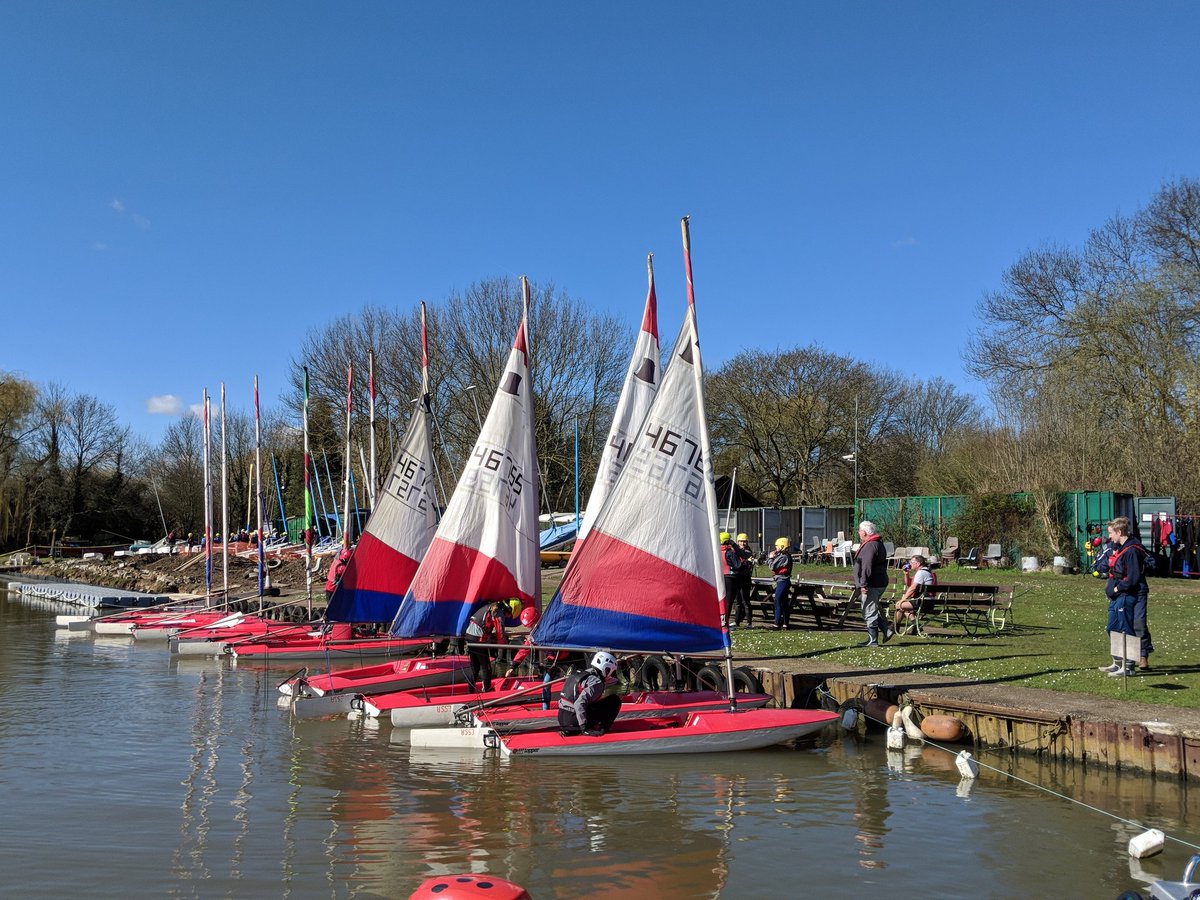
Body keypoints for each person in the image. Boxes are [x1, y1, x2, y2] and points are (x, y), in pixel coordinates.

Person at [1096, 517, 1151, 676]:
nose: (1110, 537)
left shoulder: (1132, 551)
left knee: (1129, 628)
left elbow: (1133, 578)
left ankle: (1129, 666)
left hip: (1127, 594)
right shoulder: (1118, 547)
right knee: (1112, 628)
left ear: (1119, 532)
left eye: (1112, 533)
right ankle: (1118, 662)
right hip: (1117, 596)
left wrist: (1116, 588)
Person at [558, 651, 622, 737]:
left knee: (592, 702)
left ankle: (580, 725)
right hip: (574, 722)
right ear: (606, 668)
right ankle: (603, 728)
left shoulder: (581, 673)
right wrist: (584, 728)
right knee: (614, 700)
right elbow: (579, 703)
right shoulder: (597, 682)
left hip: (562, 718)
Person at [853, 521, 892, 646]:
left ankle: (873, 640)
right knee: (870, 608)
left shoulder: (871, 545)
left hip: (873, 582)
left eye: (859, 530)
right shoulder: (876, 543)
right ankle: (886, 629)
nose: (858, 532)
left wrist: (863, 584)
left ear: (864, 532)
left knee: (869, 609)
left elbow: (867, 566)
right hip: (877, 581)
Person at [465, 599, 509, 692]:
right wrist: (502, 644)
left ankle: (470, 690)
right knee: (486, 667)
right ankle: (487, 689)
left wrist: (489, 635)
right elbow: (499, 631)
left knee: (475, 666)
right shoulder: (498, 612)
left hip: (469, 636)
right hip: (478, 639)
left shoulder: (488, 607)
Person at [893, 554, 934, 634]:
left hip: (923, 602)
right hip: (926, 600)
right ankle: (914, 625)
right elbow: (909, 584)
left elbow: (913, 588)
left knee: (899, 605)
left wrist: (903, 599)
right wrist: (906, 574)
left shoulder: (921, 573)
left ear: (918, 564)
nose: (910, 563)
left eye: (912, 562)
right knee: (902, 606)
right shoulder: (924, 572)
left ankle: (895, 628)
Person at [767, 537, 793, 630]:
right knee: (783, 602)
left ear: (782, 546)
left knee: (778, 600)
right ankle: (785, 623)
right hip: (782, 581)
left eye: (777, 546)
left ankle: (777, 623)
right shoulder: (782, 555)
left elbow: (772, 566)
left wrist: (770, 558)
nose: (776, 548)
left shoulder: (784, 557)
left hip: (783, 581)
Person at [734, 533, 755, 626]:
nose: (743, 543)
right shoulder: (735, 551)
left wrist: (739, 565)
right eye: (741, 541)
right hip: (737, 578)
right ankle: (737, 621)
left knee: (745, 601)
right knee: (737, 601)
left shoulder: (749, 552)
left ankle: (749, 622)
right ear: (738, 542)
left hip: (745, 578)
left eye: (745, 541)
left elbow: (747, 565)